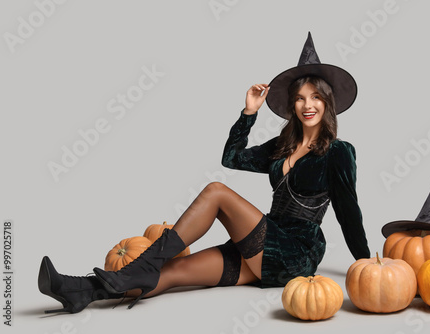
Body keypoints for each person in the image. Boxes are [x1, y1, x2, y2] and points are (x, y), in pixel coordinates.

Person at [38, 32, 370, 314]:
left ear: (328, 102)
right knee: (174, 271)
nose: (306, 105)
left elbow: (348, 212)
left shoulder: (338, 152)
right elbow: (232, 157)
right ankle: (80, 291)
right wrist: (248, 113)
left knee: (216, 192)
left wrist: (368, 265)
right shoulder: (281, 144)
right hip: (262, 242)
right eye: (299, 98)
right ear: (292, 106)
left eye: (314, 97)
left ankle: (143, 264)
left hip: (296, 252)